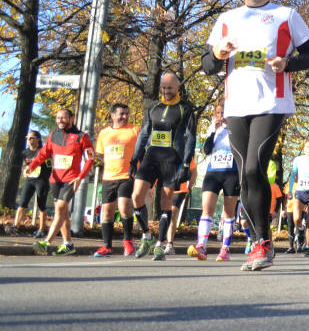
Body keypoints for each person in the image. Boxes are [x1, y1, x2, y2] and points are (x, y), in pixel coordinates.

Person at [202, 0, 309, 271]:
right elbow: (206, 65)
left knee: (255, 166)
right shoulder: (227, 19)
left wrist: (287, 63)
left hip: (272, 102)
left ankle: (263, 242)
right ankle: (259, 243)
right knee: (245, 176)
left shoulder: (286, 15)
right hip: (236, 105)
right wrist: (218, 54)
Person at [128, 72, 197, 261]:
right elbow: (144, 134)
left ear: (177, 88)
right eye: (164, 88)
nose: (166, 91)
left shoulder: (185, 109)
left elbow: (191, 137)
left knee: (166, 203)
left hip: (172, 158)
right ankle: (146, 235)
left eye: (170, 88)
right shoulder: (153, 107)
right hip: (151, 157)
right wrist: (134, 160)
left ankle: (160, 244)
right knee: (136, 196)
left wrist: (185, 163)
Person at [28, 109, 94, 255]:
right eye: (58, 118)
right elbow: (43, 154)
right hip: (55, 180)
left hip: (71, 179)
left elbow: (90, 158)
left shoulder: (81, 137)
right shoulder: (53, 136)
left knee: (60, 209)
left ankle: (46, 242)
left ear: (71, 118)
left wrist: (81, 176)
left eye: (63, 118)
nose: (60, 121)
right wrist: (31, 166)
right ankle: (68, 244)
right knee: (62, 212)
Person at [188, 102, 240, 262]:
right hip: (213, 173)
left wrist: (230, 126)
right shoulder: (212, 127)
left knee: (228, 213)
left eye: (223, 112)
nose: (220, 116)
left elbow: (240, 147)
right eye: (218, 113)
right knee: (207, 209)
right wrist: (213, 132)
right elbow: (207, 150)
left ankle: (225, 248)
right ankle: (201, 246)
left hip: (231, 173)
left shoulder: (237, 126)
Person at [92, 103, 139, 257]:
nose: (124, 117)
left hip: (127, 176)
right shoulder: (104, 133)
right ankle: (107, 246)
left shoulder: (135, 130)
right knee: (106, 212)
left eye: (126, 113)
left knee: (124, 207)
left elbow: (144, 149)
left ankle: (128, 242)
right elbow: (100, 153)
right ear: (113, 115)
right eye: (121, 114)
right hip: (108, 177)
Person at [12, 131, 50, 238]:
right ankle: (15, 226)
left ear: (38, 139)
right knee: (22, 203)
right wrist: (24, 171)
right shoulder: (25, 152)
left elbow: (49, 166)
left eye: (31, 138)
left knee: (41, 205)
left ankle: (42, 229)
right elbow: (25, 165)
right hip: (30, 180)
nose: (29, 140)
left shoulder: (42, 152)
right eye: (27, 138)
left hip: (41, 180)